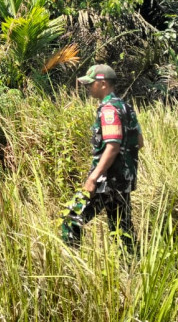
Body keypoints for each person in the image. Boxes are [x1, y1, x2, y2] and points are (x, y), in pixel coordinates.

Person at [60, 64, 144, 251]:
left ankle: (71, 266)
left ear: (103, 84)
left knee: (70, 218)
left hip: (106, 181)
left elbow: (112, 146)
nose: (88, 87)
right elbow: (139, 141)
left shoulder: (108, 110)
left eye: (91, 84)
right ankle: (133, 267)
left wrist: (93, 177)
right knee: (122, 229)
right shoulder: (126, 107)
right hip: (124, 180)